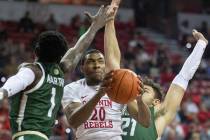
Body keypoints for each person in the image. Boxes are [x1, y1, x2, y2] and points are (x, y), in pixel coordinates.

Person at [0, 5, 111, 140]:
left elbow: (16, 81)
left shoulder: (32, 71)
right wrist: (94, 27)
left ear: (36, 51)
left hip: (26, 136)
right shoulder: (61, 70)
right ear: (60, 56)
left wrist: (3, 92)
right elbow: (78, 49)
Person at [105, 1, 209, 140]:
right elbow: (112, 62)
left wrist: (201, 45)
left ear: (156, 102)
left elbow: (183, 77)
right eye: (139, 88)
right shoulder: (121, 102)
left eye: (144, 90)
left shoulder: (159, 115)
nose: (139, 90)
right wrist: (110, 20)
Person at [62, 4, 151, 140]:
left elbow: (145, 122)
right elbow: (74, 121)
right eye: (91, 62)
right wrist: (99, 94)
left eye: (100, 61)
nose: (97, 65)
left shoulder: (116, 87)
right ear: (82, 68)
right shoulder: (72, 88)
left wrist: (139, 100)